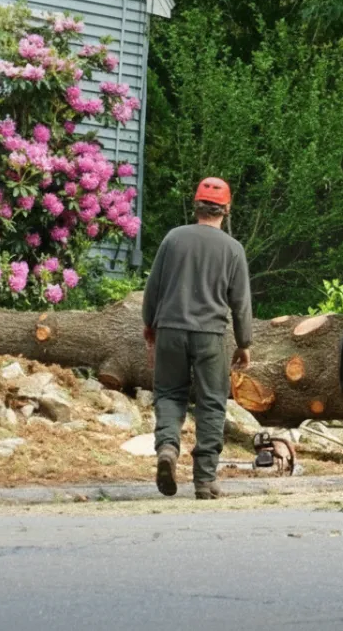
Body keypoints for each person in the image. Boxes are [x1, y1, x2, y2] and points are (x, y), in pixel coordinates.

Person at [142, 177, 253, 500]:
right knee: (211, 403)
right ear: (227, 209)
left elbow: (154, 288)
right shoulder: (233, 249)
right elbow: (241, 302)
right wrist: (244, 343)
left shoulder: (173, 239)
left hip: (170, 330)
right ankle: (204, 480)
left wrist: (150, 324)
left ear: (196, 206)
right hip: (210, 335)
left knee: (168, 394)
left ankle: (167, 448)